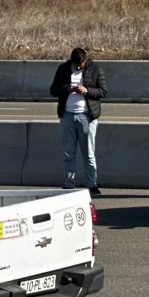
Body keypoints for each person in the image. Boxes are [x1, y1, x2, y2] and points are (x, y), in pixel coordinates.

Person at [49, 47, 107, 195]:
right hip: (67, 115)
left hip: (86, 115)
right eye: (76, 65)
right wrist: (66, 89)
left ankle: (92, 184)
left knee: (88, 153)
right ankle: (69, 184)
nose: (78, 67)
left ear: (85, 60)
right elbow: (53, 90)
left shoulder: (95, 69)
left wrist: (86, 90)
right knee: (69, 153)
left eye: (80, 64)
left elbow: (103, 91)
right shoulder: (63, 69)